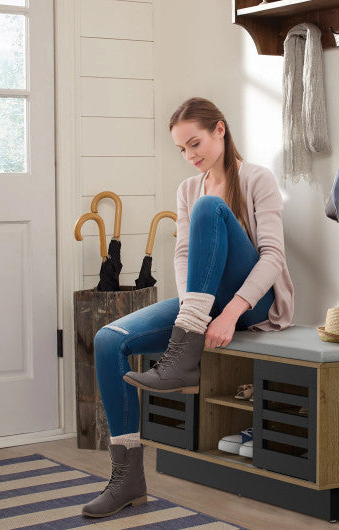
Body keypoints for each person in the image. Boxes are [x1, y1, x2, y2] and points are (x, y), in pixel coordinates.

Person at [81, 97, 294, 518]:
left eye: (194, 143)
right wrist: (190, 314)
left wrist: (231, 312)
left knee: (209, 208)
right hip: (201, 309)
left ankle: (182, 353)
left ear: (220, 129)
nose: (190, 156)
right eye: (182, 150)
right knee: (109, 339)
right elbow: (182, 256)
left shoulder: (256, 178)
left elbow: (272, 258)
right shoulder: (187, 188)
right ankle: (127, 480)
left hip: (252, 302)